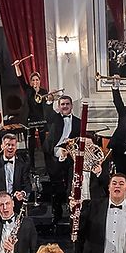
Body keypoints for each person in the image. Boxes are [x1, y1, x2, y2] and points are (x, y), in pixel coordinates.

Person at [43, 95, 81, 223]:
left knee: (71, 185)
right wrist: (49, 100)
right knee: (56, 187)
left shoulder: (78, 122)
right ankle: (56, 213)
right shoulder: (54, 118)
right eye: (62, 104)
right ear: (59, 107)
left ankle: (72, 213)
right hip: (55, 153)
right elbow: (47, 112)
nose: (65, 106)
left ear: (71, 106)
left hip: (70, 156)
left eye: (67, 104)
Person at [0, 132, 32, 204]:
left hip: (15, 205)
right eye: (7, 145)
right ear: (2, 146)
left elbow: (27, 185)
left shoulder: (22, 165)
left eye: (13, 145)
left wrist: (22, 193)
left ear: (16, 147)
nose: (10, 147)